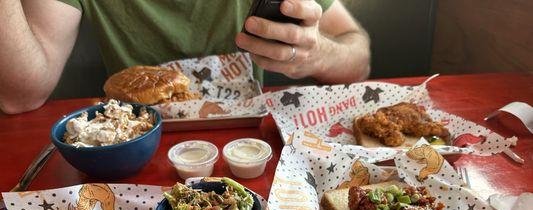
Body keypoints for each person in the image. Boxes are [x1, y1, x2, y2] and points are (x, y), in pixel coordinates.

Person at [0, 0, 370, 114]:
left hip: (252, 151)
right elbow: (20, 95)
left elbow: (358, 57)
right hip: (131, 153)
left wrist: (318, 54)